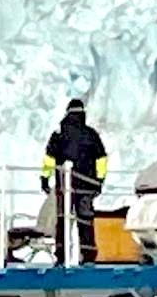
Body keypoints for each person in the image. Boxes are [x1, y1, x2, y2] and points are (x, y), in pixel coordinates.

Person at [43, 97, 108, 263]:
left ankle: (61, 256)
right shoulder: (91, 134)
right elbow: (101, 159)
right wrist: (99, 181)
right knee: (85, 221)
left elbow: (49, 159)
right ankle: (88, 256)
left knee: (62, 220)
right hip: (87, 185)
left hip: (64, 186)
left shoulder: (59, 134)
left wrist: (45, 178)